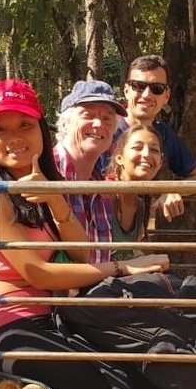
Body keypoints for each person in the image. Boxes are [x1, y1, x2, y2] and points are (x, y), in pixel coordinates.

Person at [0, 78, 169, 389]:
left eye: (24, 125)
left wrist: (55, 200)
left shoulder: (39, 187)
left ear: (41, 132)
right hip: (14, 333)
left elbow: (81, 252)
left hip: (54, 323)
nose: (14, 137)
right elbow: (39, 273)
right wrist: (121, 267)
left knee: (147, 374)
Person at [121, 54, 196, 218]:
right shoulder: (104, 127)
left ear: (166, 96)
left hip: (134, 229)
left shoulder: (164, 135)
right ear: (126, 90)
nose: (146, 95)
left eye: (156, 88)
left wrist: (174, 190)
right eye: (138, 85)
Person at [52, 79, 126, 263]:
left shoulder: (101, 188)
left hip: (96, 288)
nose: (98, 123)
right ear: (66, 123)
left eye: (107, 118)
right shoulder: (46, 171)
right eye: (88, 115)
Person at [106, 124, 164, 262]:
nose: (146, 154)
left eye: (154, 150)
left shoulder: (140, 205)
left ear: (160, 162)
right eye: (137, 148)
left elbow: (133, 253)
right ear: (119, 157)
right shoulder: (101, 197)